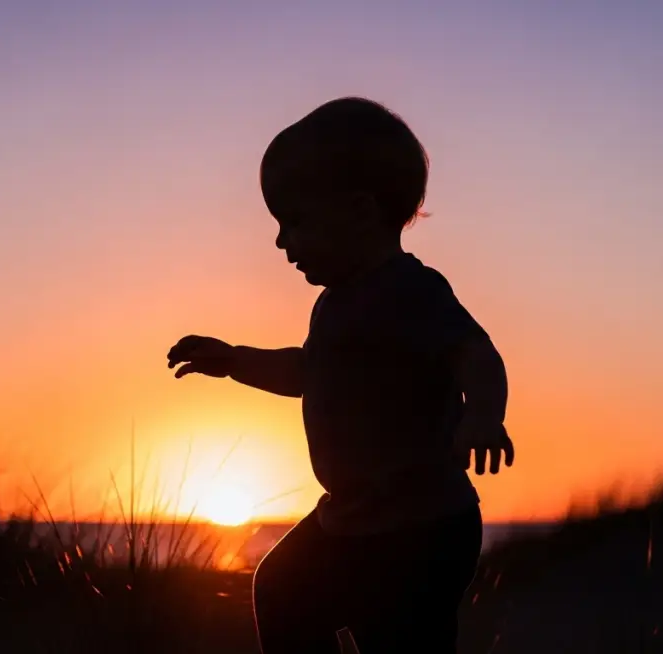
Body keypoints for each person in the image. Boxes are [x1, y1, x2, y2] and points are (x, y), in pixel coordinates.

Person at [166, 97, 513, 653]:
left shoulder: (412, 290)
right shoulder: (334, 304)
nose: (281, 242)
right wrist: (234, 360)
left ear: (358, 211)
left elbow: (477, 355)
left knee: (398, 639)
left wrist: (483, 416)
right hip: (352, 520)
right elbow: (308, 369)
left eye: (294, 221)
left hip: (420, 527)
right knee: (281, 589)